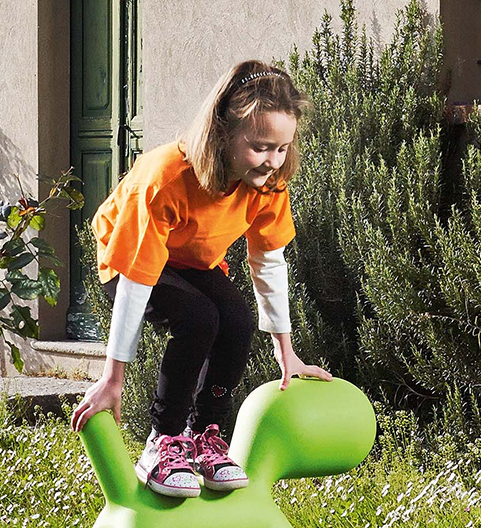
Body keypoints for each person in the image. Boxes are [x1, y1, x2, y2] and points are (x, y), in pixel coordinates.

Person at [72, 54, 327, 497]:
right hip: (128, 258)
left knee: (237, 321)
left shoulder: (268, 184)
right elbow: (136, 279)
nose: (272, 160)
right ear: (223, 132)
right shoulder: (165, 178)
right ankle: (163, 441)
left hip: (192, 261)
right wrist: (113, 379)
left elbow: (268, 262)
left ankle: (206, 436)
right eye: (261, 147)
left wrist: (286, 351)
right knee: (197, 319)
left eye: (282, 148)